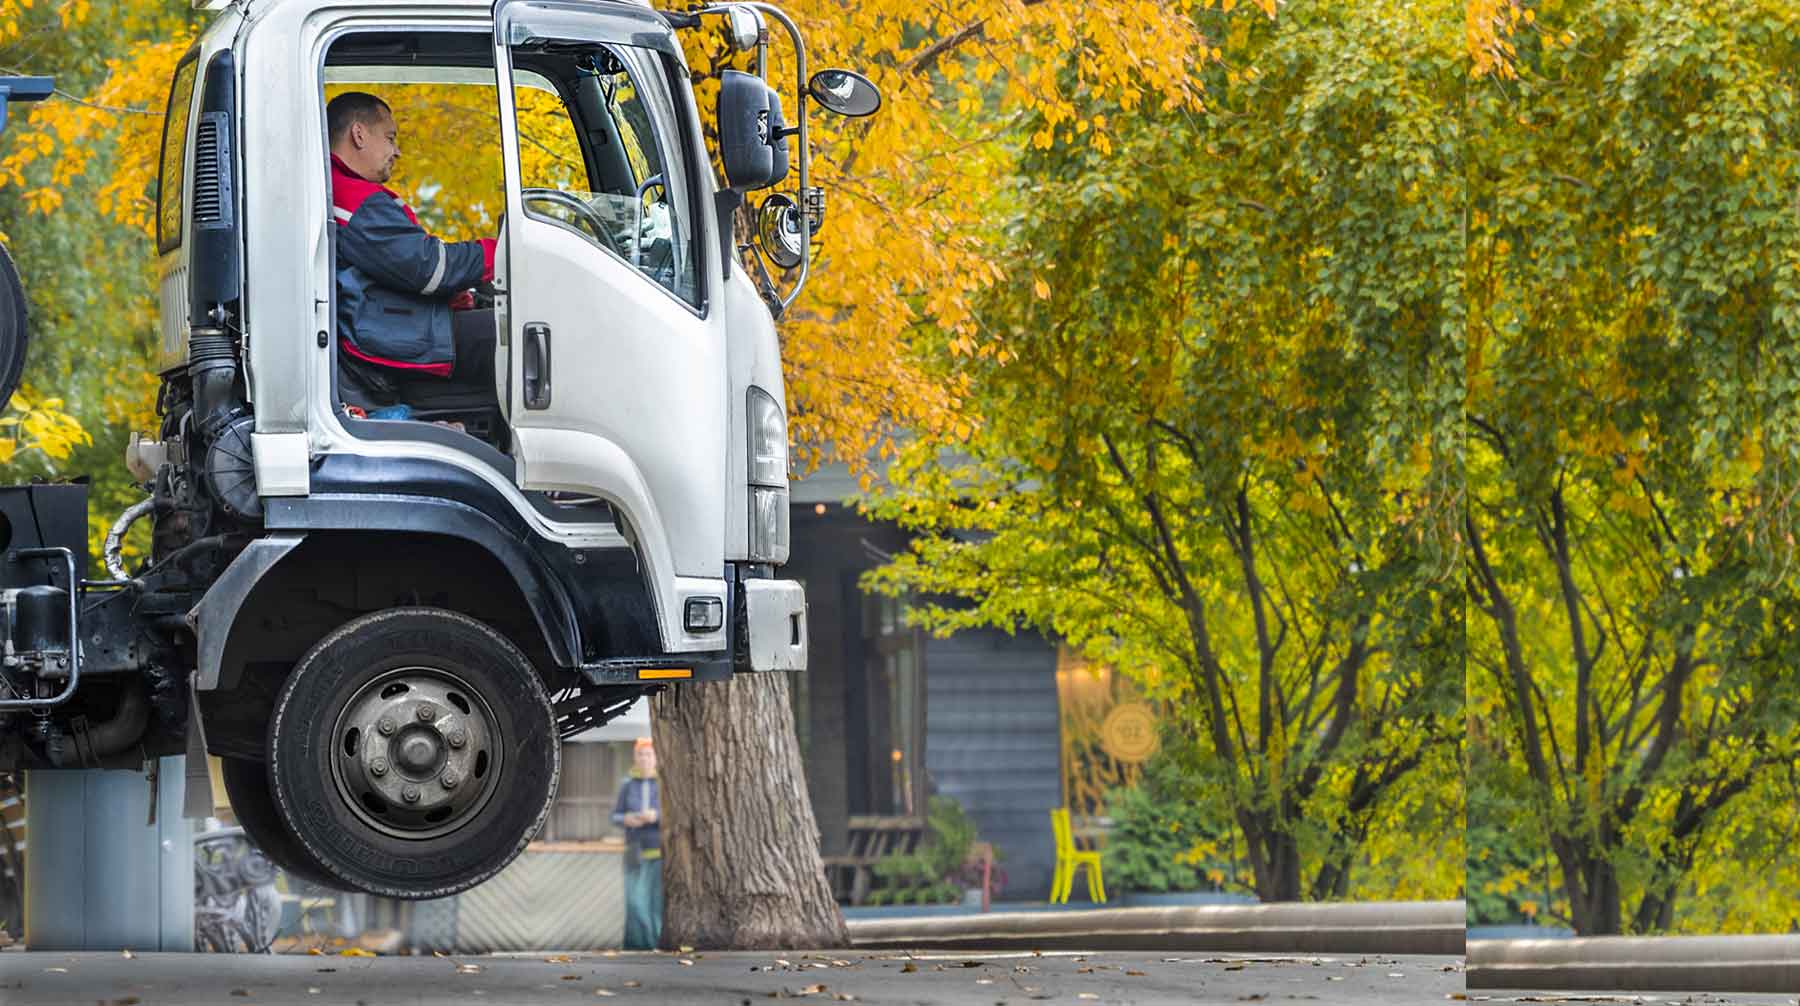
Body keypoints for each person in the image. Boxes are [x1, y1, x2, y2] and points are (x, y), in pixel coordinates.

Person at [327, 91, 497, 414]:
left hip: (386, 330)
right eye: (390, 138)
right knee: (525, 334)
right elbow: (429, 267)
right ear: (358, 134)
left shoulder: (340, 191)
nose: (398, 151)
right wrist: (497, 253)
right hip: (388, 341)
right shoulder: (354, 200)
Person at [611, 736, 663, 950]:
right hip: (634, 850)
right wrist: (626, 819)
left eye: (648, 754)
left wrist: (656, 816)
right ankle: (636, 946)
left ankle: (656, 943)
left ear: (655, 758)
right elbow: (615, 816)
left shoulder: (662, 784)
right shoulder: (627, 784)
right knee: (634, 902)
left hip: (658, 850)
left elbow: (675, 814)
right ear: (635, 757)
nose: (644, 758)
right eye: (640, 754)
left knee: (655, 903)